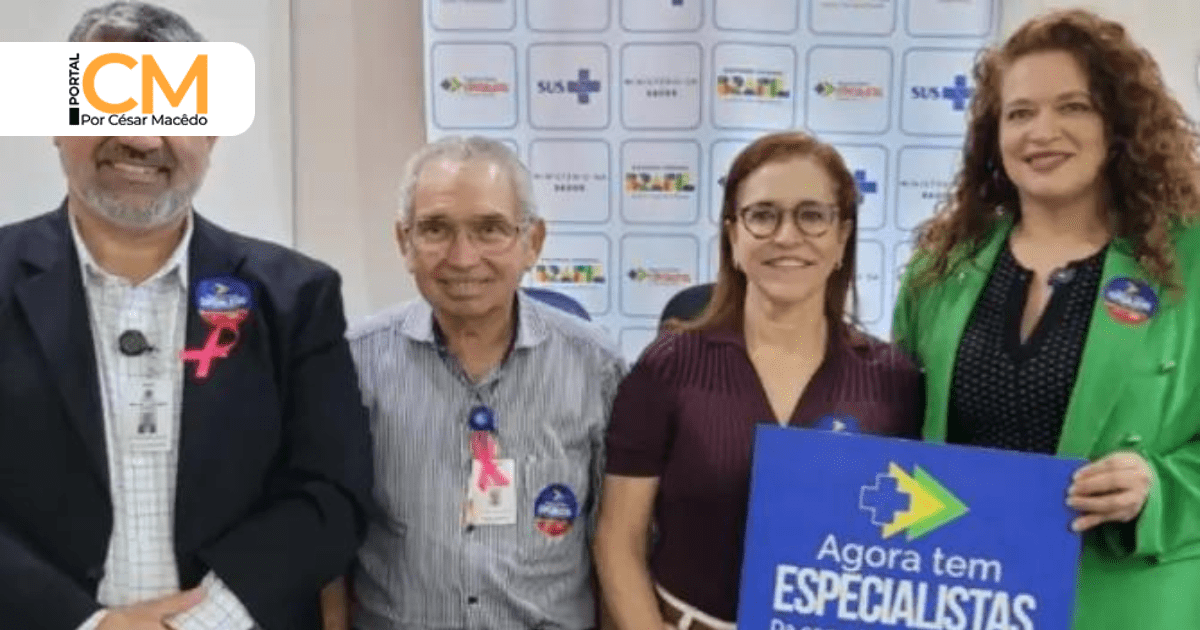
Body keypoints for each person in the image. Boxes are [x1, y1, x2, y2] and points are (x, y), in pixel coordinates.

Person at [0, 3, 374, 629]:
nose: (143, 138)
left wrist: (199, 623)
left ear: (210, 135)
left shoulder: (296, 298)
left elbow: (330, 493)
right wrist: (89, 624)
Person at [892, 9, 1200, 630]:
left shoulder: (1187, 264)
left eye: (1073, 107)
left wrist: (1160, 489)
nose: (1042, 132)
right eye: (1019, 113)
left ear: (1118, 125)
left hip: (1122, 606)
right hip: (961, 599)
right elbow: (893, 425)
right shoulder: (941, 269)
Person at [595, 131, 924, 629]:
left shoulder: (892, 381)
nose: (786, 236)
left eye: (812, 216)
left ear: (842, 238)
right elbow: (619, 538)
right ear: (734, 236)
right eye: (763, 215)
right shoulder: (668, 367)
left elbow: (911, 547)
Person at [327, 136, 625, 630]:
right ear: (404, 242)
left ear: (533, 242)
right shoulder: (353, 364)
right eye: (436, 229)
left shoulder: (597, 369)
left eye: (490, 230)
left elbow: (619, 546)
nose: (463, 258)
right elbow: (327, 546)